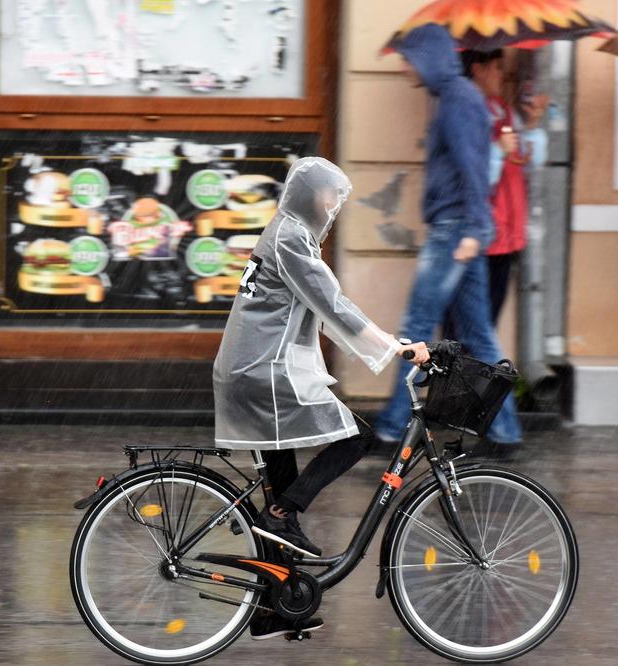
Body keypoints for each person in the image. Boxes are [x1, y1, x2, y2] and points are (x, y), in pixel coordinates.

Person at [213, 156, 430, 639]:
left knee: (280, 500)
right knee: (357, 440)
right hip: (262, 375)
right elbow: (333, 305)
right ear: (312, 195)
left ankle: (275, 607)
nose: (335, 206)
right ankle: (284, 515)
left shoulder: (288, 232)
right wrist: (397, 348)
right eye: (331, 195)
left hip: (255, 371)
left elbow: (325, 304)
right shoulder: (290, 237)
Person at [376, 25, 522, 448]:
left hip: (454, 230)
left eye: (408, 59)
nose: (405, 68)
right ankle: (506, 432)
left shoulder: (457, 101)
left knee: (415, 330)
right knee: (478, 335)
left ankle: (391, 430)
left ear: (428, 58)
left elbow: (471, 168)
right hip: (462, 228)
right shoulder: (456, 98)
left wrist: (477, 228)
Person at [443, 49, 548, 331]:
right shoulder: (465, 111)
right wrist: (498, 153)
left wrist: (533, 124)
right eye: (498, 68)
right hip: (480, 234)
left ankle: (473, 373)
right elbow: (471, 177)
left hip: (505, 236)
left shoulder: (502, 108)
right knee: (465, 324)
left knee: (487, 322)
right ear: (479, 70)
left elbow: (527, 162)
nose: (503, 75)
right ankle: (450, 374)